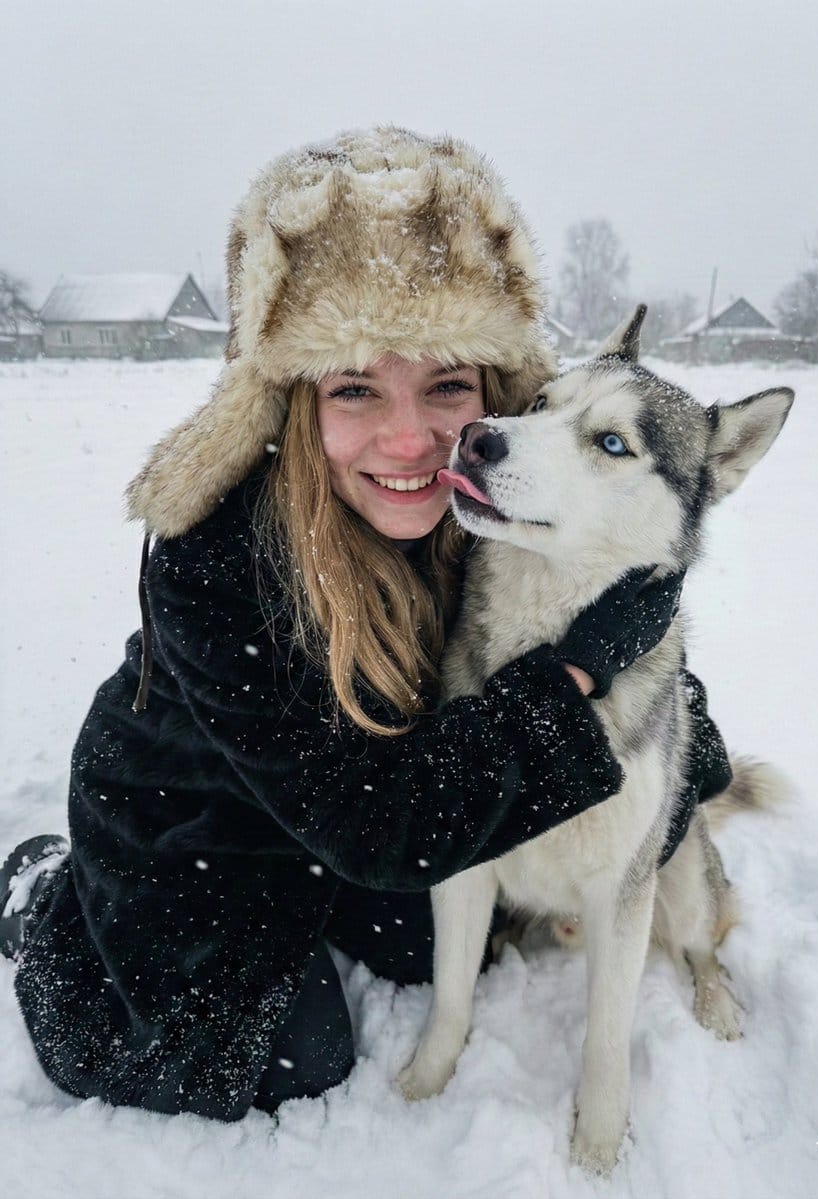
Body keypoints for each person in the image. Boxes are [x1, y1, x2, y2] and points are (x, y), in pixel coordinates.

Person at [0, 127, 729, 1121]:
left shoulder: (488, 501)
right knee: (285, 1053)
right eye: (354, 389)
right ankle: (41, 896)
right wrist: (571, 681)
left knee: (435, 941)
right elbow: (380, 822)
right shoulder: (221, 562)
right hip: (197, 819)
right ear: (296, 403)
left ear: (492, 388)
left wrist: (666, 745)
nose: (408, 437)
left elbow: (625, 661)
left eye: (444, 385)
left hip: (353, 796)